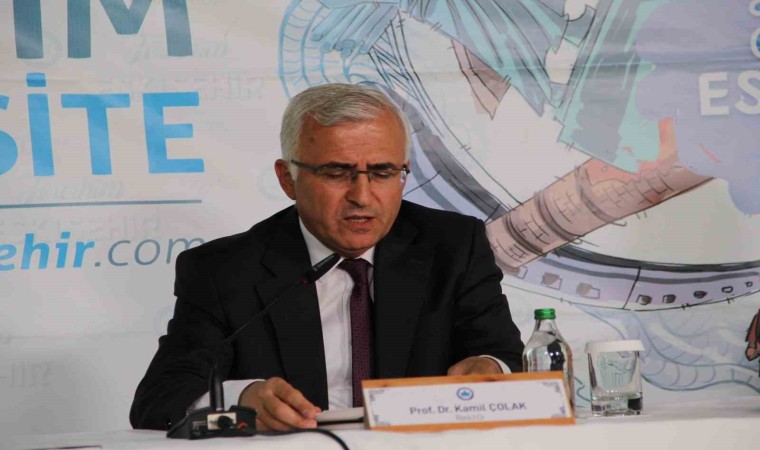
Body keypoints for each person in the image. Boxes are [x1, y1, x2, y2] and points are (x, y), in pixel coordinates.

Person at [130, 83, 524, 431]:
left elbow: (504, 356)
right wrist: (241, 400)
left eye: (383, 172)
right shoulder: (224, 271)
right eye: (337, 172)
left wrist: (490, 369)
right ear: (288, 179)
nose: (362, 196)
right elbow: (160, 398)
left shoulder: (454, 247)